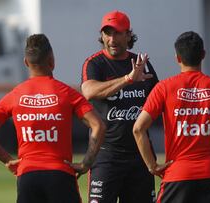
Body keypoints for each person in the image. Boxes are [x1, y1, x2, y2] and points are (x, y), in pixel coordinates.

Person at [0, 34, 106, 203]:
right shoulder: (66, 93)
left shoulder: (16, 95)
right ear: (52, 60)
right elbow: (98, 126)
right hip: (60, 175)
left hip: (27, 176)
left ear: (25, 62)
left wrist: (8, 160)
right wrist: (86, 163)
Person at [133, 31, 210, 203]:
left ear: (177, 58)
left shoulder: (164, 87)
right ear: (203, 55)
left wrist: (152, 166)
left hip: (177, 174)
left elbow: (138, 129)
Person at [80, 10, 159, 203]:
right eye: (107, 33)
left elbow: (160, 100)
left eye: (117, 33)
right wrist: (127, 80)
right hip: (106, 154)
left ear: (128, 35)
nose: (111, 39)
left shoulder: (143, 65)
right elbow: (89, 91)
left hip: (140, 155)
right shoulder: (95, 63)